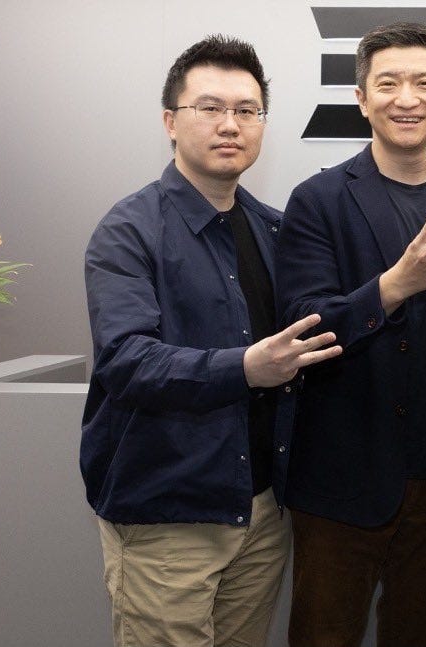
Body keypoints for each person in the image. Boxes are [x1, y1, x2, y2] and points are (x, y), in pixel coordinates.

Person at [82, 35, 341, 647]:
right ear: (171, 122)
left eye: (247, 111)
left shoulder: (277, 229)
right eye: (210, 108)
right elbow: (126, 360)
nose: (231, 125)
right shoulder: (129, 230)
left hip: (261, 513)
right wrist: (246, 367)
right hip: (170, 516)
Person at [275, 22, 426, 647]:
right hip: (341, 477)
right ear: (361, 99)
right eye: (388, 83)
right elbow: (302, 330)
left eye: (424, 83)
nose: (408, 98)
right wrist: (394, 285)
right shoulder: (318, 200)